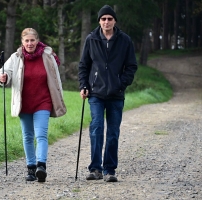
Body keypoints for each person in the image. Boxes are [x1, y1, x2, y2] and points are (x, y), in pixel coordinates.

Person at [0, 28, 66, 182]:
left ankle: (41, 166)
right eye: (26, 41)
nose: (29, 43)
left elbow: (56, 76)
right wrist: (3, 77)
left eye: (32, 40)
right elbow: (3, 72)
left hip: (43, 101)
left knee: (41, 134)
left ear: (37, 40)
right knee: (28, 136)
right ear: (22, 42)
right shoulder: (16, 57)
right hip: (25, 103)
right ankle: (31, 168)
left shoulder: (47, 56)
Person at [78, 5, 138, 182]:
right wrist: (84, 85)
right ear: (99, 21)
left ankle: (109, 170)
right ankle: (95, 168)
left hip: (116, 94)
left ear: (114, 21)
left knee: (113, 132)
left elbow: (131, 66)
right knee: (97, 128)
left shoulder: (125, 40)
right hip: (95, 93)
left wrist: (121, 83)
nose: (106, 22)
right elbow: (84, 66)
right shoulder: (91, 39)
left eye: (109, 19)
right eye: (103, 19)